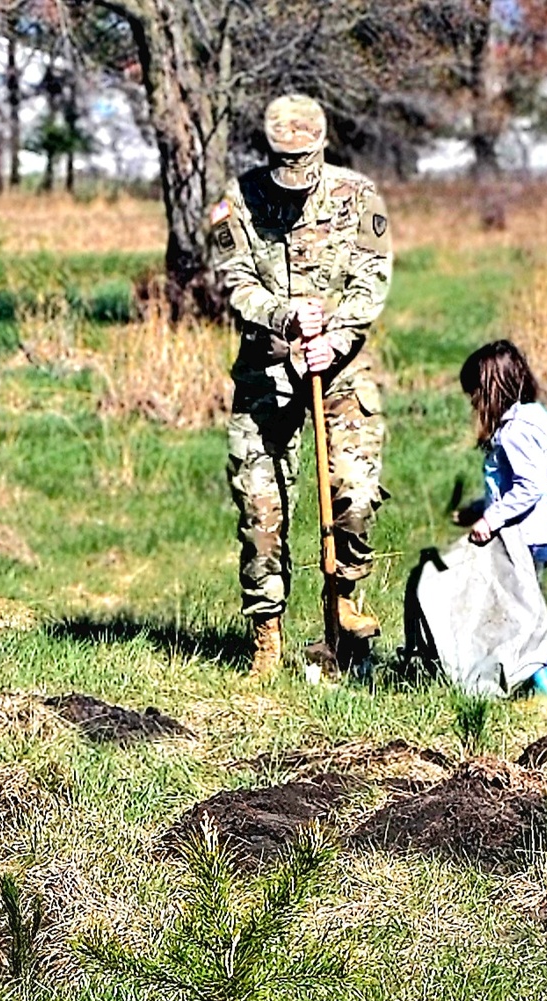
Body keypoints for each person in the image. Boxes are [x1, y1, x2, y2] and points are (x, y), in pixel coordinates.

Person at [208, 94, 393, 678]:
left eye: (304, 159)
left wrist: (334, 339)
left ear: (322, 146)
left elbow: (370, 282)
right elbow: (233, 281)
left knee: (354, 495)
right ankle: (267, 639)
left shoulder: (358, 196)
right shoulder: (238, 201)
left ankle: (343, 617)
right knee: (261, 506)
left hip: (341, 368)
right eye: (284, 159)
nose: (295, 173)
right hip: (267, 369)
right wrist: (283, 315)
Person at [457, 340, 547, 583]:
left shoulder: (516, 432)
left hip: (525, 539)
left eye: (474, 395)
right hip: (536, 535)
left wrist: (491, 520)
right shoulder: (532, 419)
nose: (473, 404)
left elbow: (530, 485)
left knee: (517, 612)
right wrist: (481, 508)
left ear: (491, 391)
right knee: (517, 608)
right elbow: (513, 485)